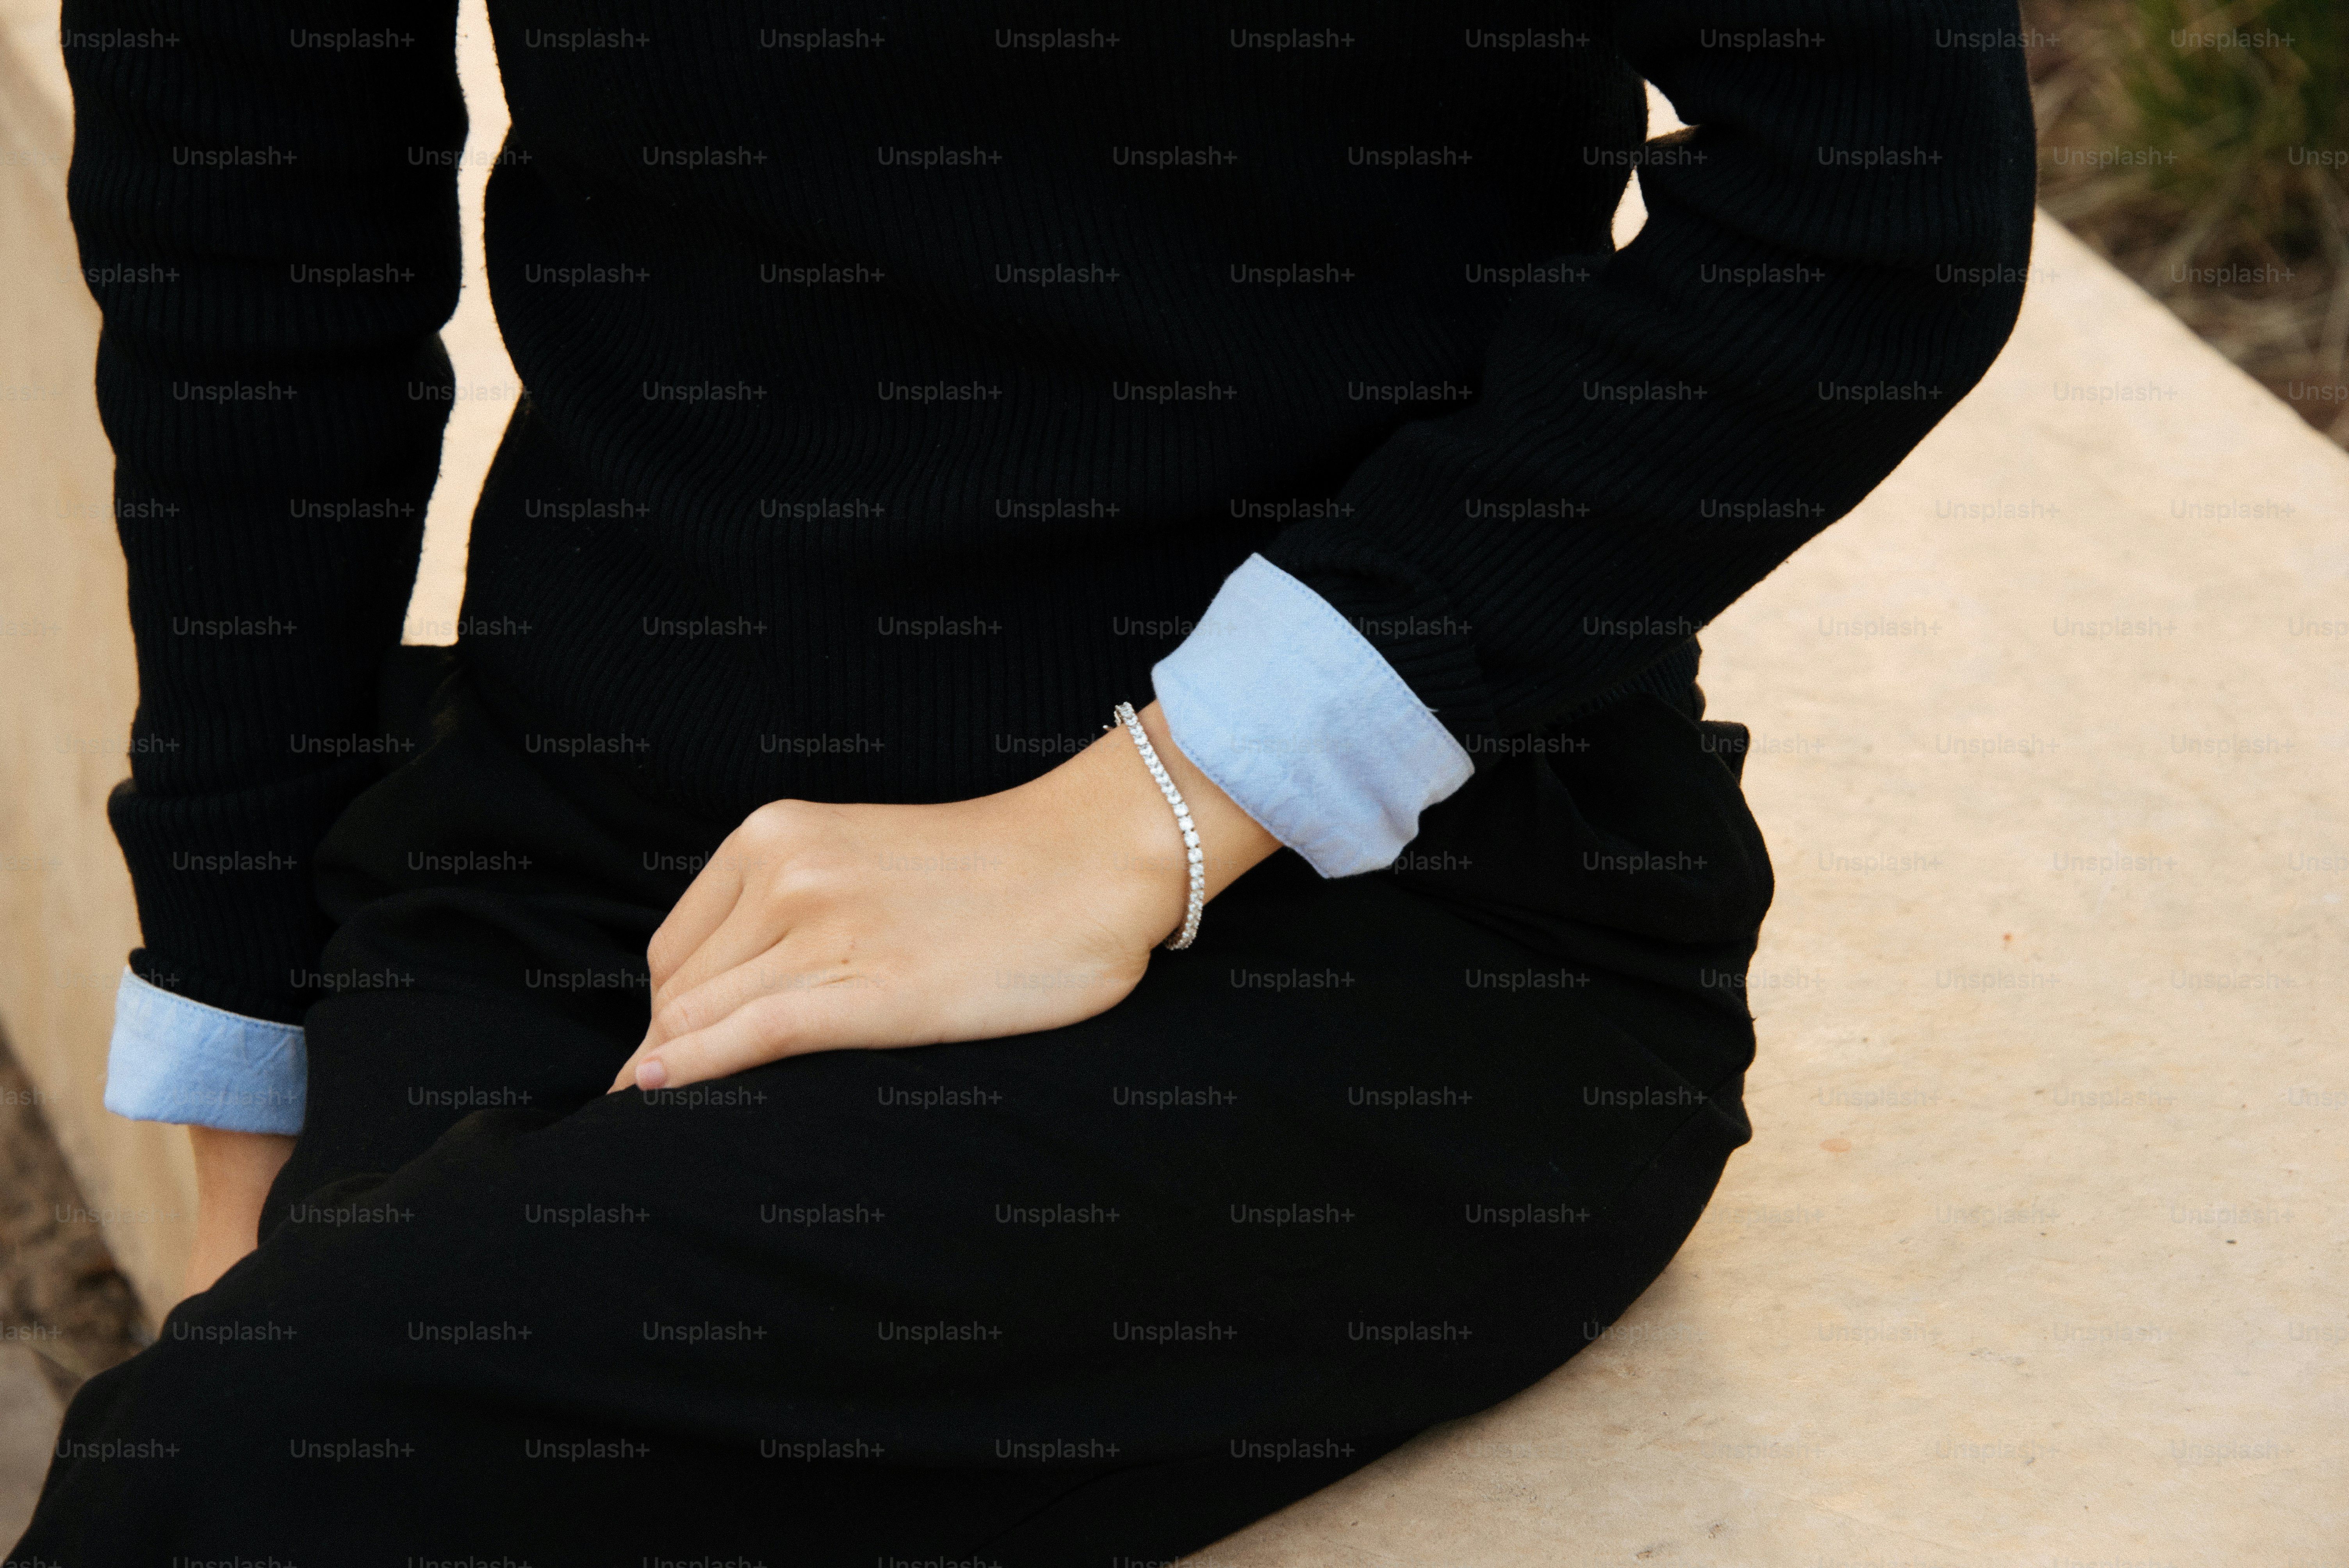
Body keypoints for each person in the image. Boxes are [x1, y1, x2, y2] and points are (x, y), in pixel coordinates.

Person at [21, 1, 2034, 1562]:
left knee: (266, 1478)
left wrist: (1151, 805)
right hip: (593, 861)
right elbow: (252, 261)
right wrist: (250, 1051)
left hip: (1380, 913)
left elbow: (1872, 202)